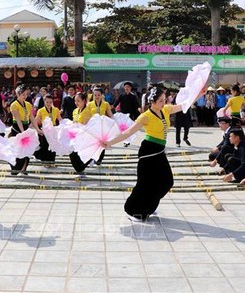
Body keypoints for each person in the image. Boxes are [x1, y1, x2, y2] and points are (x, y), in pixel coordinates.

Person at [104, 87, 204, 222]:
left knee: (167, 181)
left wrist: (199, 93)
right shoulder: (145, 116)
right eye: (161, 101)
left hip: (159, 150)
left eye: (165, 100)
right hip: (148, 151)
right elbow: (127, 133)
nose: (164, 102)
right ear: (153, 101)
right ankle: (134, 211)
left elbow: (184, 105)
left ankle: (149, 204)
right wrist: (109, 142)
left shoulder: (166, 110)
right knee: (144, 183)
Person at [9, 85, 41, 176]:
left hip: (25, 127)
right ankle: (15, 168)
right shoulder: (14, 105)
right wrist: (22, 131)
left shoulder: (28, 104)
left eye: (26, 94)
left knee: (27, 149)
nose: (25, 96)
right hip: (17, 128)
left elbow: (31, 117)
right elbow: (18, 119)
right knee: (17, 150)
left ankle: (24, 168)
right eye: (23, 94)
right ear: (18, 94)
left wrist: (37, 129)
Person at [34, 94, 62, 166]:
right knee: (45, 146)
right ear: (44, 102)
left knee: (53, 146)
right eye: (47, 102)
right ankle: (45, 162)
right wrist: (37, 129)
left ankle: (52, 162)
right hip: (45, 131)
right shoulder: (40, 110)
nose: (49, 104)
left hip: (53, 130)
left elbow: (60, 119)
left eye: (50, 102)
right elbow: (36, 121)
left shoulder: (56, 110)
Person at [69, 92, 93, 174]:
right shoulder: (75, 111)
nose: (76, 103)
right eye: (75, 101)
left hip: (83, 135)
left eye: (78, 101)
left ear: (84, 101)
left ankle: (90, 159)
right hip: (75, 135)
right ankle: (81, 169)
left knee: (76, 154)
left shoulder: (87, 111)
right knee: (72, 154)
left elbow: (85, 126)